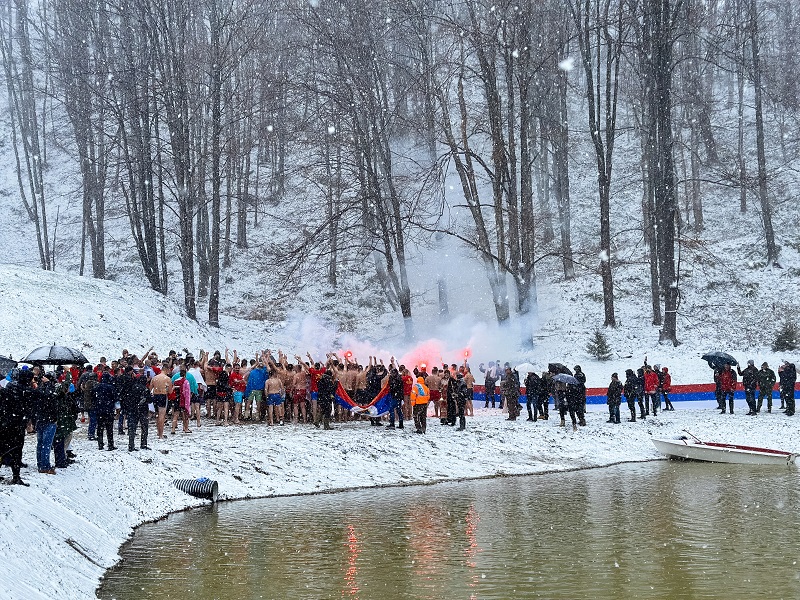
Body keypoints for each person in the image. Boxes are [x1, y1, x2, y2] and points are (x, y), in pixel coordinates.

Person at [0, 369, 33, 485]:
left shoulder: (10, 386)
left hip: (4, 423)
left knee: (2, 447)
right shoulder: (28, 391)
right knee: (17, 450)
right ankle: (16, 476)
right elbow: (29, 409)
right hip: (17, 424)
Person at [94, 372, 118, 451]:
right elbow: (115, 398)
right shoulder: (111, 387)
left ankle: (100, 443)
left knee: (100, 427)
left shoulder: (97, 387)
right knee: (109, 428)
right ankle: (110, 444)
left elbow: (93, 396)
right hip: (109, 409)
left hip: (99, 409)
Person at [150, 363, 172, 438]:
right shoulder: (167, 379)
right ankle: (161, 434)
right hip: (162, 395)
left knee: (157, 415)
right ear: (167, 369)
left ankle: (158, 431)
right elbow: (170, 392)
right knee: (162, 416)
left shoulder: (154, 378)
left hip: (155, 396)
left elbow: (150, 389)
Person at [170, 368, 192, 434]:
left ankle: (173, 429)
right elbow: (187, 393)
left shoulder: (176, 381)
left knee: (176, 415)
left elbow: (173, 389)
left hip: (176, 399)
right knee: (185, 415)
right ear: (185, 375)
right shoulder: (186, 381)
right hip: (183, 400)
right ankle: (185, 428)